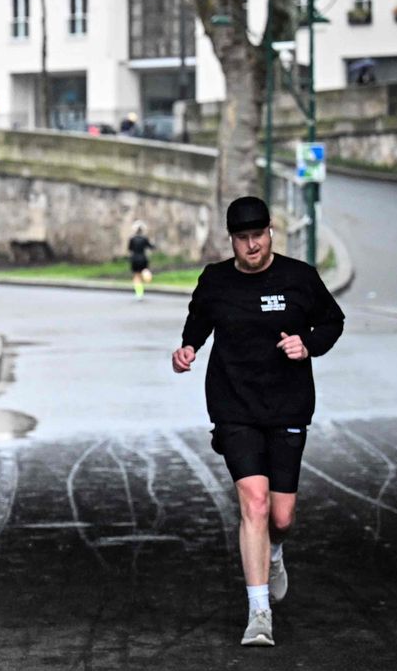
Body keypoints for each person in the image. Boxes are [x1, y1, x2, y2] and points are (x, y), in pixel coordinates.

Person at [170, 196, 345, 647]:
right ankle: (259, 612)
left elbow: (332, 321)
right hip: (234, 405)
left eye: (258, 236)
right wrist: (187, 349)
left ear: (270, 232)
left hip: (287, 405)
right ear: (232, 240)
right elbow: (198, 322)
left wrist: (307, 345)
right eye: (242, 238)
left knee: (281, 518)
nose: (252, 246)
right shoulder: (215, 280)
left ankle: (275, 551)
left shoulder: (299, 278)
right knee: (255, 503)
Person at [128, 223, 155, 300]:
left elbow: (130, 249)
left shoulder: (132, 239)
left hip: (135, 258)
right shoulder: (144, 238)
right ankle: (147, 278)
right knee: (145, 271)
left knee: (137, 276)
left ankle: (139, 293)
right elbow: (151, 247)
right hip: (143, 258)